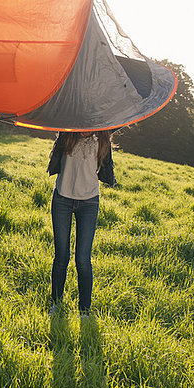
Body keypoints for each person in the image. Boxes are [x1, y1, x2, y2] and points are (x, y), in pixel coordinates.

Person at [47, 130, 117, 317]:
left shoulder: (101, 138)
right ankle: (55, 304)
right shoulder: (67, 133)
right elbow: (50, 116)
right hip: (62, 199)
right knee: (61, 257)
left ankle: (84, 311)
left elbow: (120, 116)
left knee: (83, 260)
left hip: (89, 202)